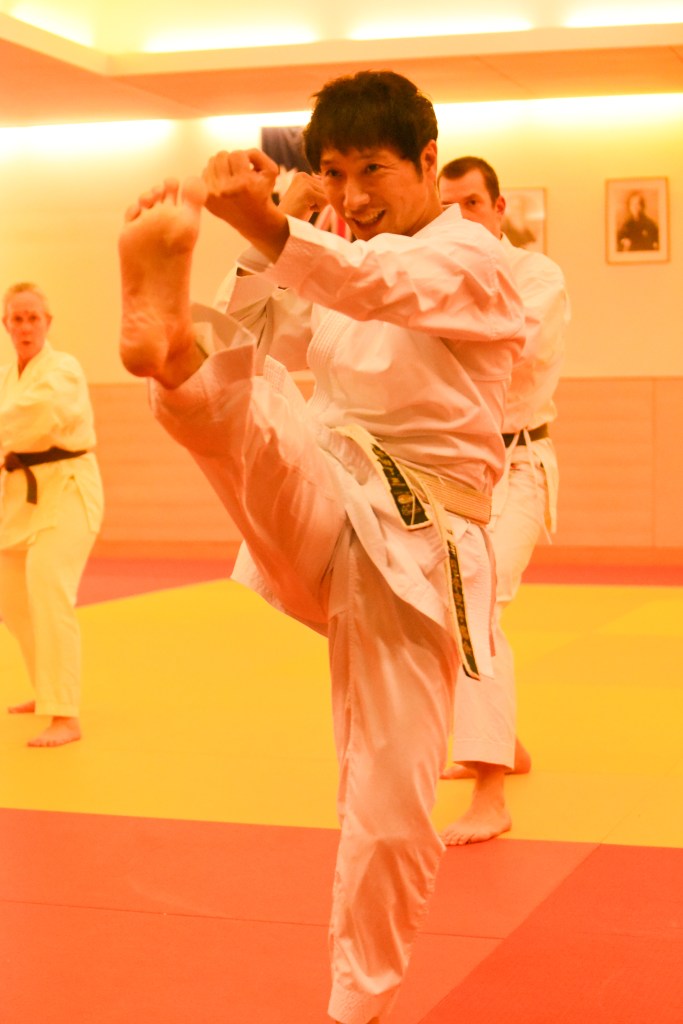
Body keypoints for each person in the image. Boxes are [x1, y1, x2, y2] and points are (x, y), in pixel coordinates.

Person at [117, 71, 525, 1024]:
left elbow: (381, 287)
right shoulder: (337, 246)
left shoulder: (470, 257)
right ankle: (169, 352)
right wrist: (269, 239)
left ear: (427, 161)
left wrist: (271, 226)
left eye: (371, 170)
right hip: (330, 493)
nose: (352, 195)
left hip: (419, 545)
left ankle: (358, 1006)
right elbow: (270, 326)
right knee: (247, 404)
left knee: (385, 807)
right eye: (334, 174)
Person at [437, 156, 570, 844]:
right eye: (446, 206)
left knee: (479, 606)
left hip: (518, 461)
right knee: (450, 609)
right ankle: (504, 745)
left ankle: (491, 791)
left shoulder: (536, 276)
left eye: (470, 203)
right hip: (455, 465)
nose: (459, 217)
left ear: (497, 208)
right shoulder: (435, 276)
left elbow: (508, 348)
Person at [0, 283, 104, 747]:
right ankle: (46, 692)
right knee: (11, 594)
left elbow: (36, 413)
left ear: (48, 322)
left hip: (68, 489)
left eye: (32, 317)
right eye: (16, 318)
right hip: (22, 495)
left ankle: (65, 715)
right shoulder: (7, 377)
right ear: (5, 324)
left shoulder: (64, 369)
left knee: (48, 586)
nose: (25, 326)